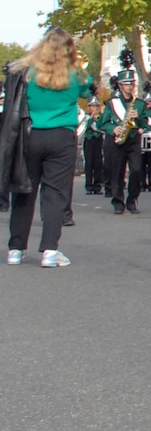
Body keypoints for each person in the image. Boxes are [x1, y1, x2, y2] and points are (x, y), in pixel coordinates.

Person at [4, 28, 92, 266]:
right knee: (55, 194)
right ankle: (50, 251)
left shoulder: (28, 74)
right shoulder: (77, 76)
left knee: (24, 191)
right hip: (61, 137)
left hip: (29, 135)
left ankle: (16, 248)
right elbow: (89, 90)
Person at [101, 72, 151, 215]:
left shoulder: (139, 104)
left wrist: (139, 117)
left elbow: (145, 123)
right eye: (127, 84)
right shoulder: (112, 103)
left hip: (134, 139)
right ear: (120, 85)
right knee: (117, 172)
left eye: (132, 84)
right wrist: (113, 128)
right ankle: (118, 202)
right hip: (119, 140)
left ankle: (132, 200)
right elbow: (103, 123)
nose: (130, 87)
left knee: (136, 170)